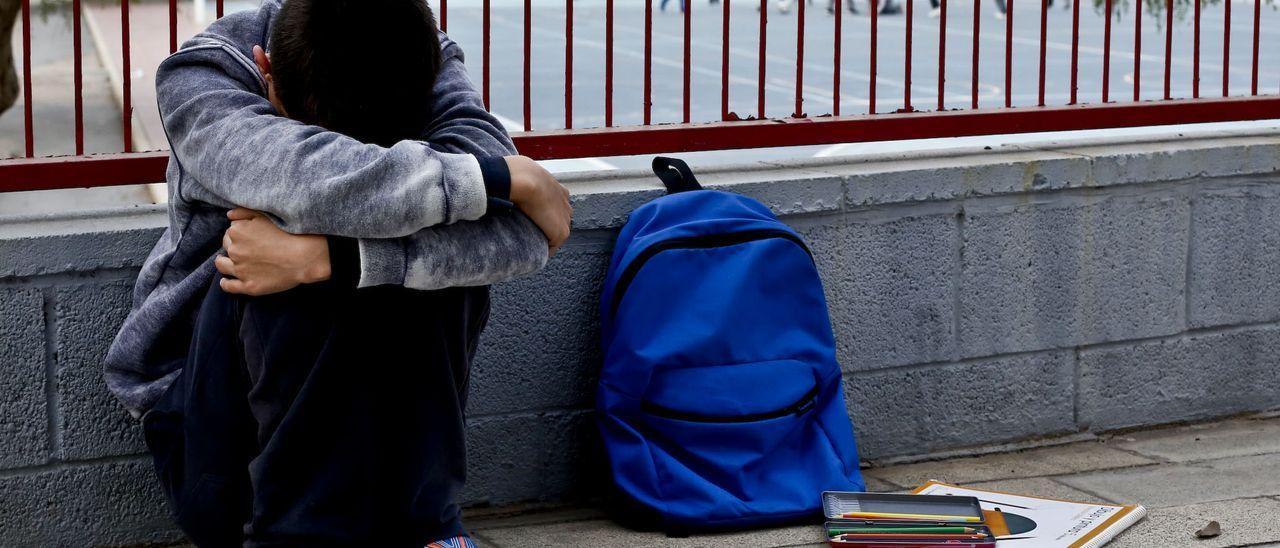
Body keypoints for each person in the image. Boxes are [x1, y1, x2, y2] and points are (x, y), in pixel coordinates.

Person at [104, 0, 571, 546]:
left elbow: (521, 236)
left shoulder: (419, 51)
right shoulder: (209, 77)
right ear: (266, 68)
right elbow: (310, 184)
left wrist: (335, 259)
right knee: (286, 254)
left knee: (420, 255)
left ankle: (428, 529)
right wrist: (497, 178)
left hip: (378, 448)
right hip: (212, 437)